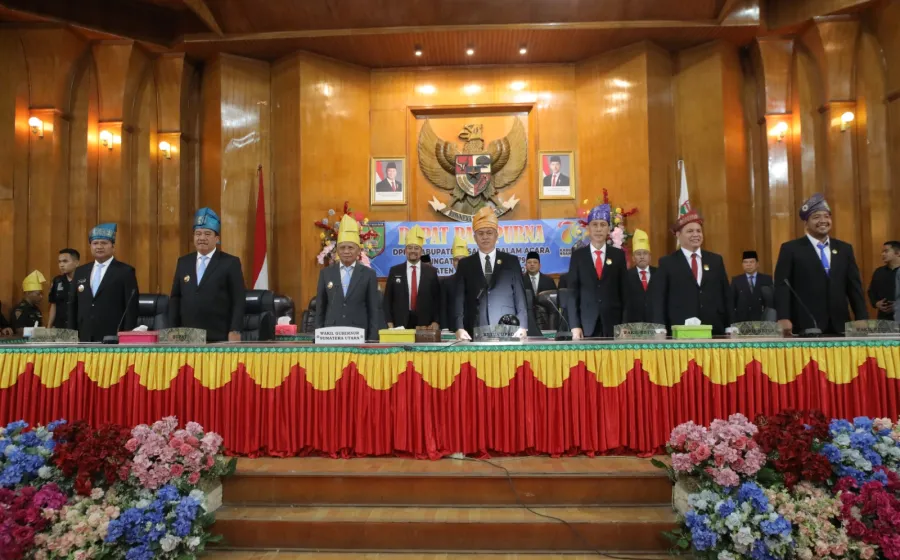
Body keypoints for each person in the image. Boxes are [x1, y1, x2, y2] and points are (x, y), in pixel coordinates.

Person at [774, 193, 867, 335]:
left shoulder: (844, 249)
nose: (823, 221)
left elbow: (854, 286)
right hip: (805, 324)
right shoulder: (791, 249)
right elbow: (782, 286)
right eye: (816, 217)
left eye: (826, 216)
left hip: (840, 324)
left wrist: (861, 316)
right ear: (806, 223)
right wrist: (783, 317)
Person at [169, 208, 246, 342]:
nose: (202, 238)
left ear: (217, 238)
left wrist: (235, 330)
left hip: (218, 335)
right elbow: (175, 298)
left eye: (207, 234)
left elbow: (238, 299)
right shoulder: (184, 262)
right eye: (198, 234)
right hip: (186, 336)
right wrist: (172, 329)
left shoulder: (230, 262)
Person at [652, 209, 733, 335]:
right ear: (678, 235)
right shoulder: (667, 262)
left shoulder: (715, 260)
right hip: (680, 328)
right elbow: (659, 297)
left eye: (698, 231)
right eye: (690, 231)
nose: (696, 234)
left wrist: (730, 324)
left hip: (714, 327)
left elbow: (726, 294)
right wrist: (659, 325)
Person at [453, 207, 528, 340]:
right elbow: (459, 298)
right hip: (475, 327)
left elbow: (520, 295)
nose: (485, 237)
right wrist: (459, 327)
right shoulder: (465, 264)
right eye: (480, 233)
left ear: (496, 235)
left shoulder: (511, 261)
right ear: (474, 237)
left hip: (507, 327)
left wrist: (523, 325)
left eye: (489, 233)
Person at [68, 223, 139, 342]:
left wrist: (126, 336)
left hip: (112, 335)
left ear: (113, 246)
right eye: (95, 243)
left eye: (104, 243)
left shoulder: (125, 271)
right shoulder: (81, 271)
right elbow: (72, 305)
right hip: (84, 335)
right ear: (90, 246)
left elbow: (131, 308)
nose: (99, 247)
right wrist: (71, 334)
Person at [315, 214, 381, 341]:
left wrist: (372, 338)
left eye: (350, 248)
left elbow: (374, 309)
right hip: (331, 335)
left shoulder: (369, 274)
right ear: (337, 251)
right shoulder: (326, 273)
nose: (346, 251)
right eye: (342, 248)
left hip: (359, 334)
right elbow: (320, 307)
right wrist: (318, 335)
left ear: (358, 251)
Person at [567, 204, 627, 339]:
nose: (598, 229)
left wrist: (624, 324)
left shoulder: (618, 255)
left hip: (613, 324)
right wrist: (575, 326)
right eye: (594, 225)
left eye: (603, 225)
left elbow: (625, 293)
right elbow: (572, 293)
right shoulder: (578, 256)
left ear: (608, 229)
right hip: (586, 325)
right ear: (588, 228)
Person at [383, 225, 441, 329]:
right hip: (400, 323)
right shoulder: (395, 271)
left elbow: (437, 300)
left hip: (425, 324)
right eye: (410, 248)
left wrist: (436, 321)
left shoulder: (431, 272)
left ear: (421, 251)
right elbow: (387, 299)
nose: (413, 251)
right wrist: (389, 321)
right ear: (405, 250)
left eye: (416, 248)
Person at [731, 250, 774, 323]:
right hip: (742, 321)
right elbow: (732, 303)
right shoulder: (736, 280)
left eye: (751, 262)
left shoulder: (766, 279)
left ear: (757, 264)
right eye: (745, 262)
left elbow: (771, 302)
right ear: (742, 265)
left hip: (762, 320)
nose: (748, 265)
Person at [623, 229, 656, 323]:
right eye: (638, 254)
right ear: (633, 258)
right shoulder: (626, 276)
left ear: (650, 257)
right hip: (633, 323)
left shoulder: (659, 274)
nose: (642, 257)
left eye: (645, 253)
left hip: (655, 323)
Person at [440, 235, 469, 330]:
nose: (460, 263)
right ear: (452, 263)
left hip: (473, 328)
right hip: (453, 330)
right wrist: (444, 330)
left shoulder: (477, 280)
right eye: (456, 260)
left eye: (463, 260)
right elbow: (443, 309)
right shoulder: (446, 282)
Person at [523, 251, 557, 331]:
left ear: (540, 265)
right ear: (525, 265)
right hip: (527, 319)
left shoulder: (548, 280)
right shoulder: (520, 280)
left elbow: (554, 302)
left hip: (546, 319)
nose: (532, 264)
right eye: (529, 262)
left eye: (535, 262)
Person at [867, 241, 900, 321]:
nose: (883, 254)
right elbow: (871, 291)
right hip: (884, 318)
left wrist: (897, 306)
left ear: (897, 253)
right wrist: (876, 303)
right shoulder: (879, 272)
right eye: (882, 252)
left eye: (886, 251)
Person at [48, 248, 80, 329]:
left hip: (78, 327)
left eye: (65, 261)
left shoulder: (84, 280)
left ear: (76, 263)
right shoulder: (57, 281)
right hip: (60, 327)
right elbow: (53, 305)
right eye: (59, 262)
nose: (61, 265)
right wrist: (49, 326)